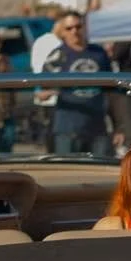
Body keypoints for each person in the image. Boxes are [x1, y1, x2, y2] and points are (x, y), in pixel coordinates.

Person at [42, 10, 113, 155]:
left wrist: (118, 125)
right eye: (69, 28)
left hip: (97, 127)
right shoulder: (57, 56)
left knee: (99, 175)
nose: (74, 31)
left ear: (84, 27)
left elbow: (110, 89)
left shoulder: (99, 53)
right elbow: (43, 89)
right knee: (68, 175)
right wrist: (53, 89)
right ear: (62, 32)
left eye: (78, 26)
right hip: (67, 128)